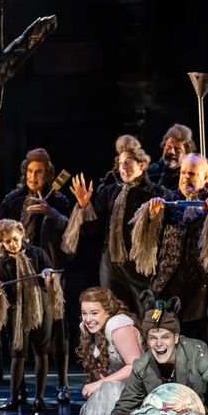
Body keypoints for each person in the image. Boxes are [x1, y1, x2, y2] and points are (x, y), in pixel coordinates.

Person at [129, 153, 208, 368]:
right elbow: (144, 237)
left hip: (206, 288)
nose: (186, 178)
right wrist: (152, 217)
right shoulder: (168, 199)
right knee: (169, 346)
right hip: (170, 287)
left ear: (206, 177)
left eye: (192, 174)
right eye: (183, 173)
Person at [0, 148, 72, 404]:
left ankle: (62, 383)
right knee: (19, 332)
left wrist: (52, 214)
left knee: (56, 331)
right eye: (30, 171)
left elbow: (72, 229)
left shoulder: (58, 200)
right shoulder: (14, 199)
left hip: (49, 272)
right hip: (19, 273)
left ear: (48, 175)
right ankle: (20, 389)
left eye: (39, 172)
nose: (33, 176)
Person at [63, 135, 167, 316]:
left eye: (129, 162)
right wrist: (84, 206)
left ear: (142, 165)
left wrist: (154, 216)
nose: (123, 167)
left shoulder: (155, 193)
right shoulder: (110, 192)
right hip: (111, 264)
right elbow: (92, 229)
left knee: (146, 313)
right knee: (115, 315)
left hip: (139, 265)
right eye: (120, 163)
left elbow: (163, 230)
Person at [56, 287, 142, 415]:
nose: (88, 319)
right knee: (106, 390)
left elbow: (135, 366)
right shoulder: (89, 327)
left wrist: (100, 383)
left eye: (94, 313)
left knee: (107, 390)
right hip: (120, 383)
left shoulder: (118, 326)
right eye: (84, 313)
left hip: (137, 387)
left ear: (108, 311)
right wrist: (104, 374)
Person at [0, 219, 64, 411]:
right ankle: (14, 398)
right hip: (18, 309)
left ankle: (39, 398)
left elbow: (53, 275)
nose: (12, 244)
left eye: (15, 239)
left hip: (41, 307)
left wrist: (49, 275)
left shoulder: (37, 253)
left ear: (22, 235)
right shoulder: (2, 261)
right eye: (7, 242)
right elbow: (4, 292)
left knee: (41, 351)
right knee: (18, 352)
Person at [147, 124, 196, 190]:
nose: (172, 152)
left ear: (187, 154)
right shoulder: (150, 172)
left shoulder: (189, 178)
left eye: (177, 149)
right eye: (169, 147)